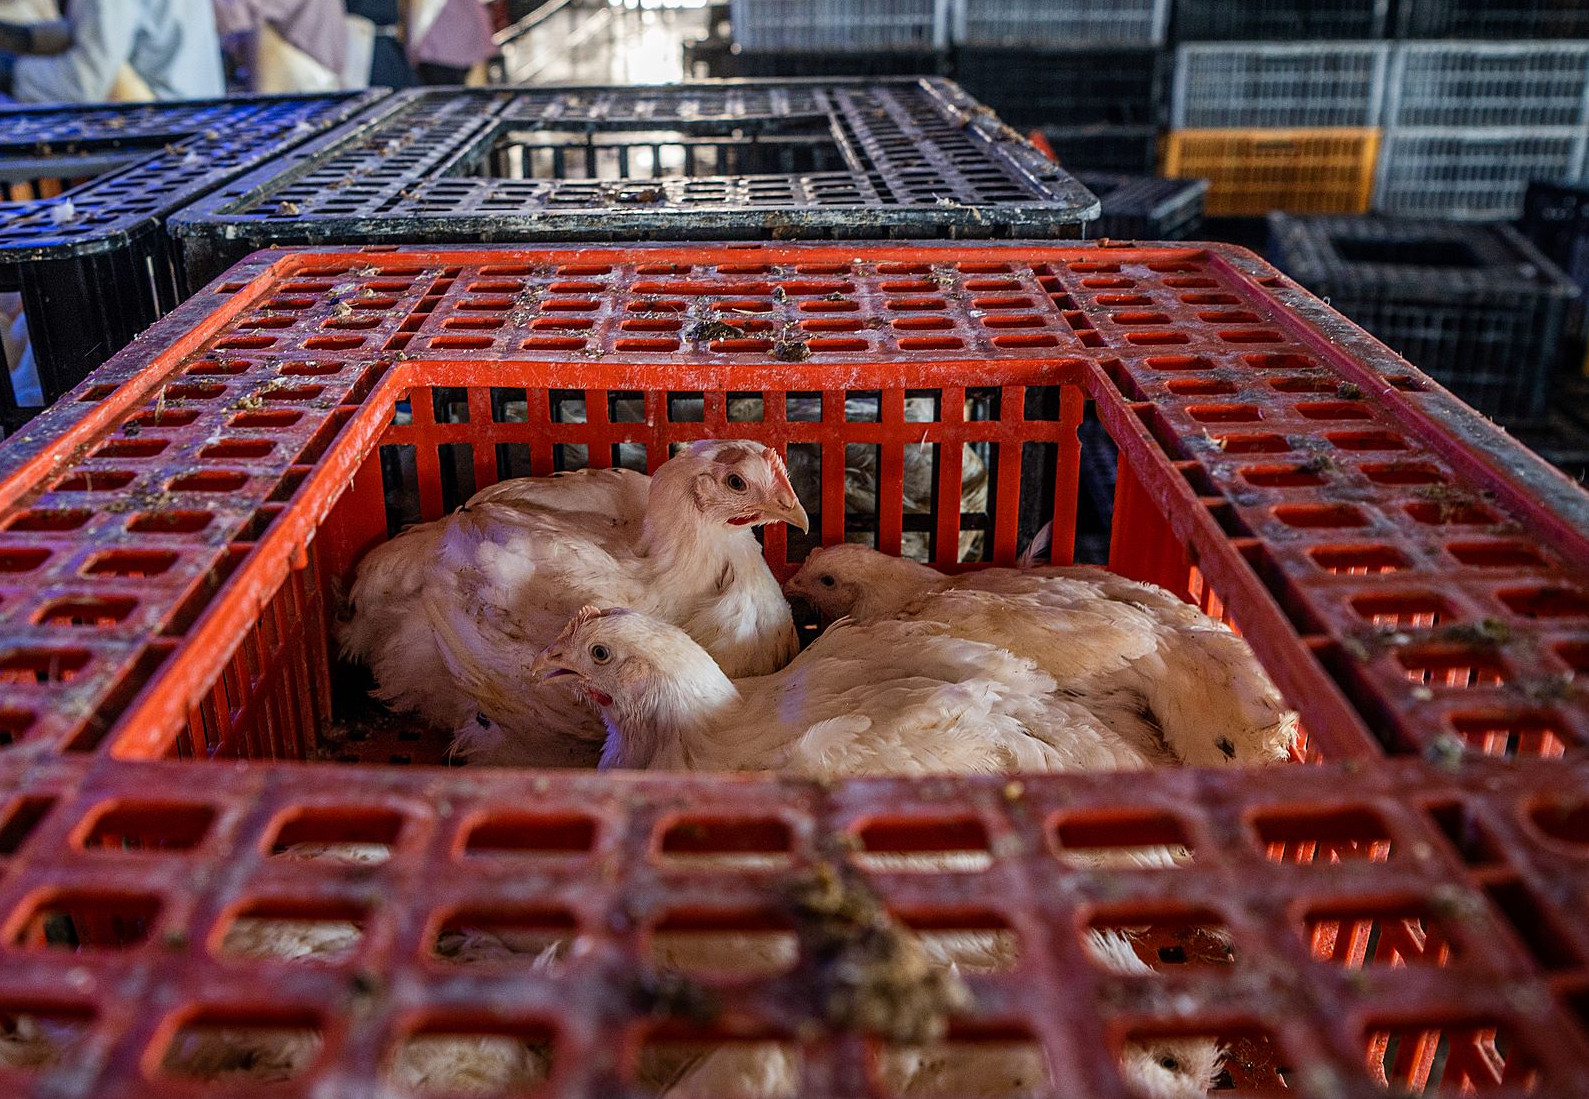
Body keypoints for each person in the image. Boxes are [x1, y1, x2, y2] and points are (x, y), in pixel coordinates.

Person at [0, 0, 224, 102]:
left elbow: (83, 85)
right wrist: (13, 37)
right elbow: (90, 31)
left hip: (163, 139)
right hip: (203, 118)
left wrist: (6, 70)